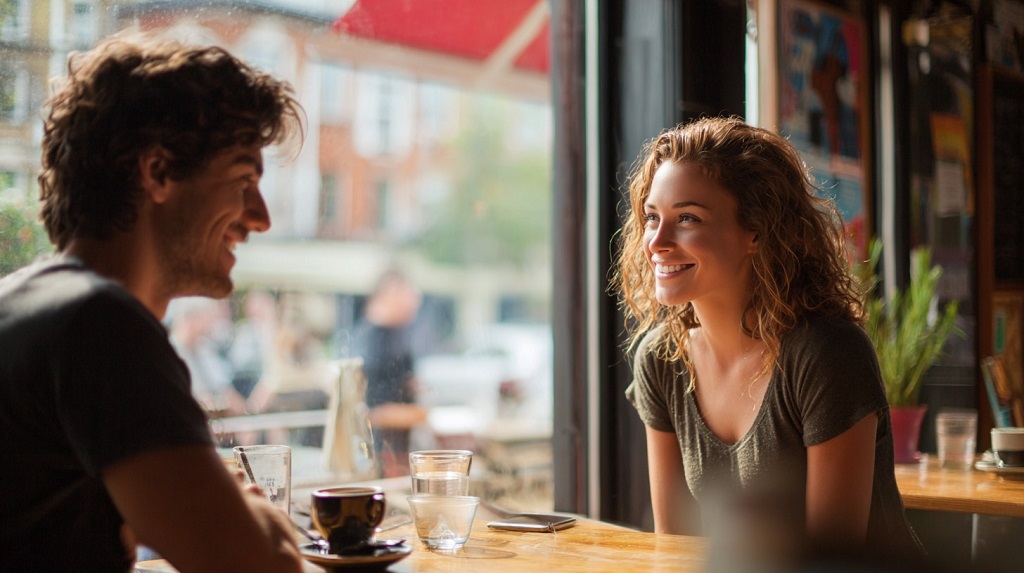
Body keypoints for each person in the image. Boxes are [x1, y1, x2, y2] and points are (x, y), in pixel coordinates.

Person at [0, 34, 305, 572]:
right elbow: (263, 566)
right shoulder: (101, 326)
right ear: (158, 172)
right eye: (242, 179)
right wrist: (248, 509)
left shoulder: (23, 307)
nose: (261, 218)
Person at [612, 117, 923, 559]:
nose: (657, 242)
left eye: (687, 218)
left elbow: (832, 563)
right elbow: (677, 551)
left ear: (756, 231)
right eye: (651, 218)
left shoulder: (826, 353)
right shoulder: (660, 359)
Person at [353, 269, 427, 477]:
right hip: (377, 460)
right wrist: (416, 414)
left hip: (400, 457)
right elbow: (369, 410)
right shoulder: (369, 342)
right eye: (408, 293)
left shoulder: (398, 335)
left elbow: (404, 382)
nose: (415, 300)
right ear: (391, 292)